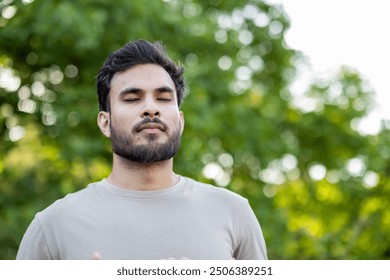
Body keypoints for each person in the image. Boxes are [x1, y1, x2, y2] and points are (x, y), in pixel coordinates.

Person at [16, 40, 267, 260]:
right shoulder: (52, 226)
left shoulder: (234, 213)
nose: (151, 108)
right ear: (105, 122)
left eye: (164, 98)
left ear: (180, 121)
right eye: (132, 98)